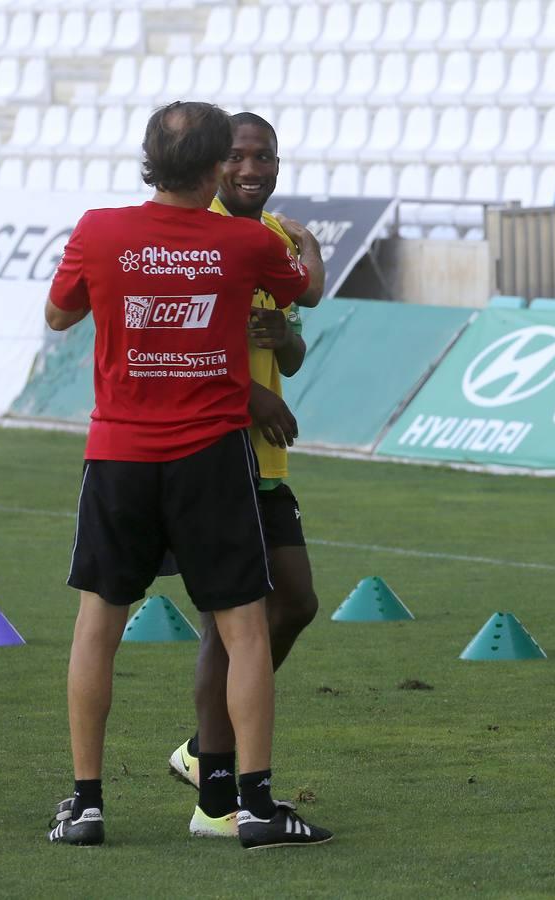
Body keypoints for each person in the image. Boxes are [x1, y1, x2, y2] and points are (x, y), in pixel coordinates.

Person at [44, 101, 331, 849]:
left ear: (148, 159)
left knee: (97, 626)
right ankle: (257, 809)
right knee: (243, 633)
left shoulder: (98, 231)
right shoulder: (241, 243)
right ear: (213, 169)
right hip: (210, 458)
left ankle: (87, 804)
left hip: (119, 457)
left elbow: (58, 316)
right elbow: (299, 287)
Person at [165, 112, 327, 840]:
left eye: (264, 155)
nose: (252, 168)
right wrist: (249, 394)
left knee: (294, 602)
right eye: (236, 156)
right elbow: (177, 349)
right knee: (224, 626)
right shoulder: (200, 237)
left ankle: (206, 749)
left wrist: (284, 340)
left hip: (266, 462)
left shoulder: (273, 241)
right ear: (213, 165)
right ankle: (217, 790)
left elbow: (291, 349)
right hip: (214, 454)